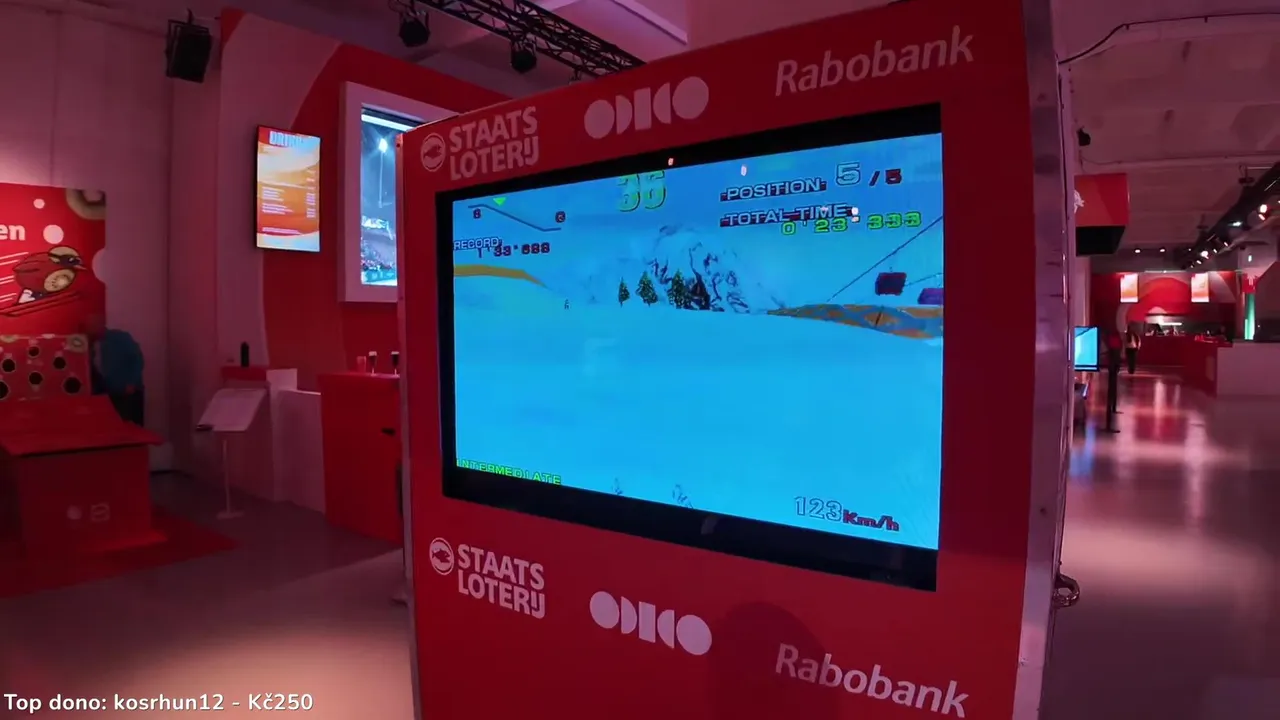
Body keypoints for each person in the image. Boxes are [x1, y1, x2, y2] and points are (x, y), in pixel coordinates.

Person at [83, 316, 145, 426]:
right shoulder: (89, 344)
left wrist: (132, 382)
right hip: (107, 394)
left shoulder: (120, 338)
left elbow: (137, 359)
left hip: (126, 392)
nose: (89, 330)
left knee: (130, 427)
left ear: (100, 325)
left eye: (91, 326)